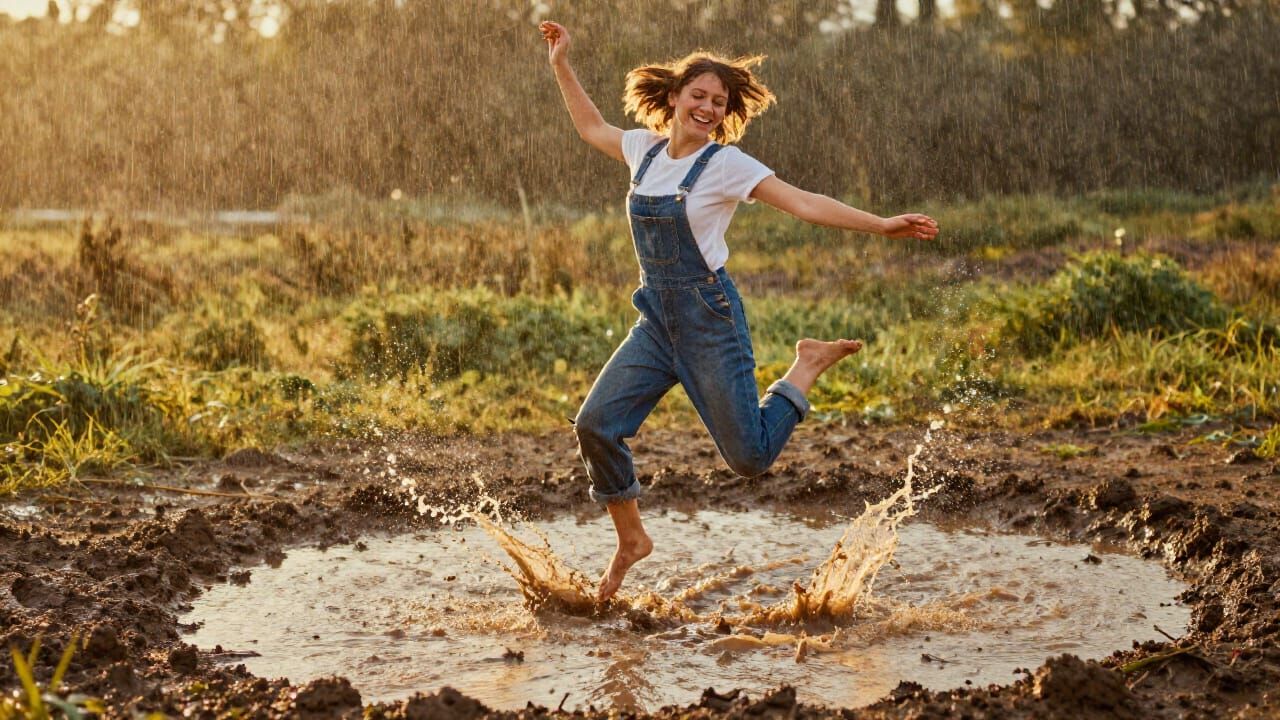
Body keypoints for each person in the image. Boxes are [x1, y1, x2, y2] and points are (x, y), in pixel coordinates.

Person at [539, 21, 939, 602]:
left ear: (724, 114)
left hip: (709, 321)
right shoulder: (643, 152)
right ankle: (631, 540)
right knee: (595, 426)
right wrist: (560, 64)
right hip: (655, 323)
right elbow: (590, 126)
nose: (706, 108)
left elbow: (803, 203)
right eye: (697, 96)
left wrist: (880, 224)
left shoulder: (726, 165)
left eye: (718, 103)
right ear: (674, 97)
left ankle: (804, 368)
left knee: (749, 458)